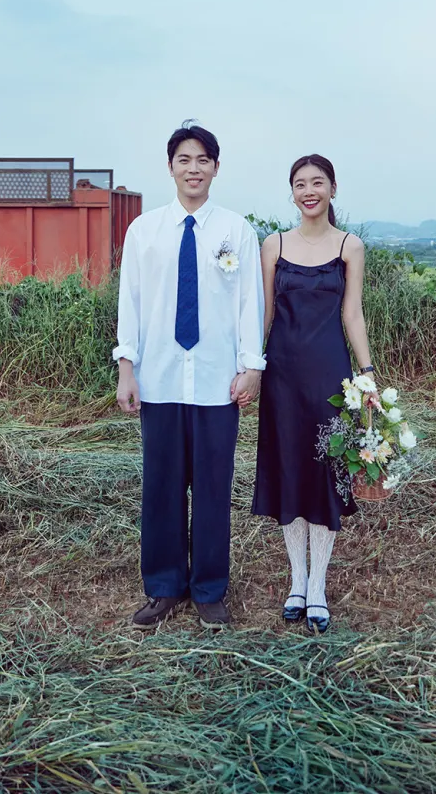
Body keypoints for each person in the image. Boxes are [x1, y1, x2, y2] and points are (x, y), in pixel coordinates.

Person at [115, 121, 265, 628]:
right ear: (170, 167)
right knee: (161, 487)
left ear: (216, 168)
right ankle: (163, 587)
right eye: (184, 159)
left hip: (217, 383)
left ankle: (209, 589)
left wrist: (252, 367)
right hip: (158, 380)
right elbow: (131, 303)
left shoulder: (236, 231)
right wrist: (127, 368)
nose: (193, 168)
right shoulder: (144, 232)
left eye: (203, 160)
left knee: (213, 490)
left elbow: (249, 304)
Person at [251, 154, 380, 633]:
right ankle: (297, 581)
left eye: (317, 182)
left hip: (330, 377)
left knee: (326, 473)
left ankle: (319, 586)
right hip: (282, 376)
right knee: (290, 471)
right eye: (300, 184)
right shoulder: (274, 244)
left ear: (332, 188)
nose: (309, 191)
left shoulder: (350, 246)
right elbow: (264, 313)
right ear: (292, 192)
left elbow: (353, 315)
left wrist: (367, 375)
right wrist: (251, 366)